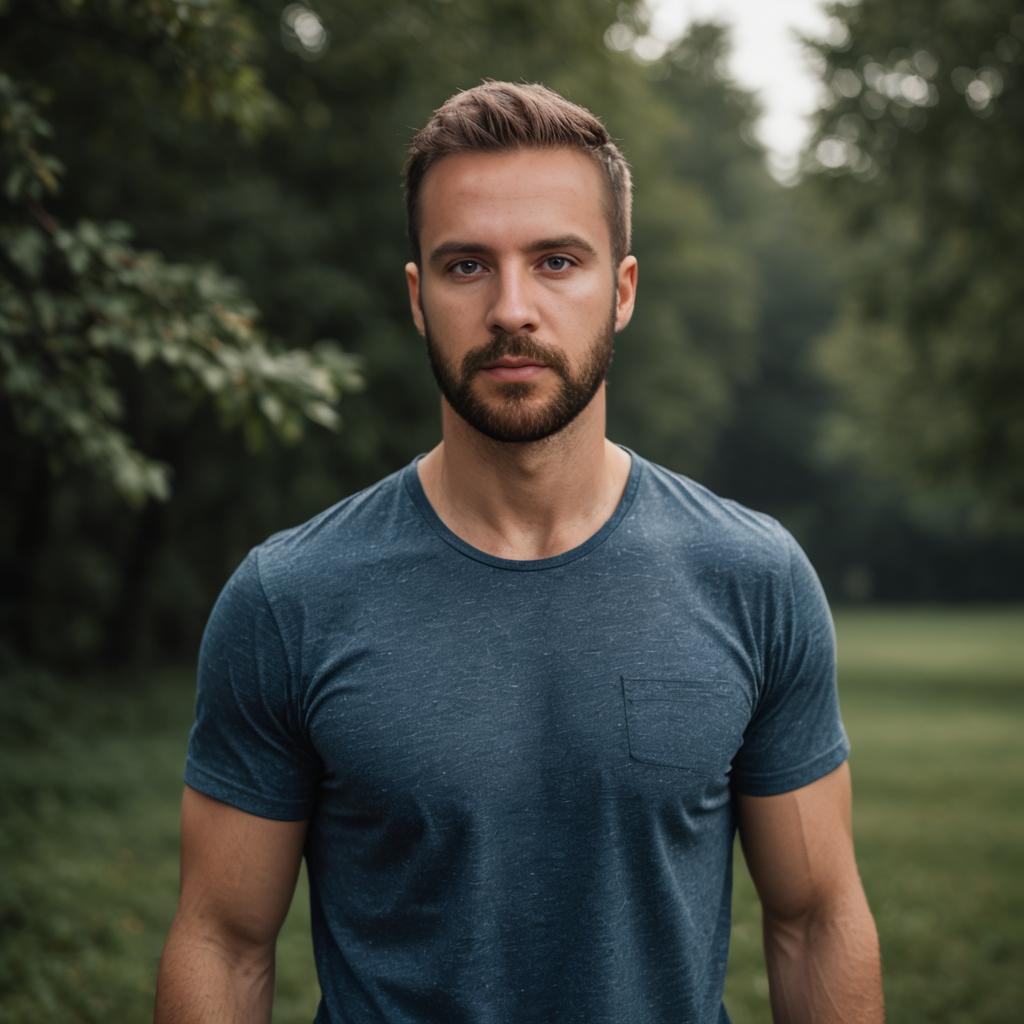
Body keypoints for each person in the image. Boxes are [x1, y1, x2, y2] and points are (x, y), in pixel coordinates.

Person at [155, 81, 884, 1023]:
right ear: (418, 298)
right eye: (466, 266)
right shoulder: (291, 597)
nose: (511, 309)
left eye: (556, 261)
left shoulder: (752, 579)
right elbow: (223, 943)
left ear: (620, 290)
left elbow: (816, 919)